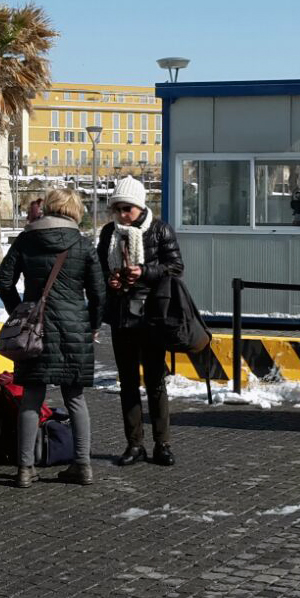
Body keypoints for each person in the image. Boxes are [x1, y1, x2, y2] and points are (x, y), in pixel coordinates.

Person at [0, 188, 104, 488]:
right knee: (76, 398)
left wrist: (20, 311)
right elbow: (98, 292)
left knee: (31, 397)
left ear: (49, 207)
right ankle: (82, 465)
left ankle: (25, 468)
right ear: (76, 211)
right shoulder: (83, 245)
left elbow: (4, 280)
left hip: (36, 329)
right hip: (74, 328)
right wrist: (93, 324)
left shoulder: (27, 239)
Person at [97, 177, 184, 466]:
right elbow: (98, 268)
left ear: (140, 206)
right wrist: (109, 278)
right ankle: (134, 444)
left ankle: (163, 444)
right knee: (128, 383)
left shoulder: (159, 230)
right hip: (122, 315)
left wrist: (144, 272)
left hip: (151, 315)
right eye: (118, 209)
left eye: (128, 209)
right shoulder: (109, 232)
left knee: (156, 381)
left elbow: (175, 266)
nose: (123, 215)